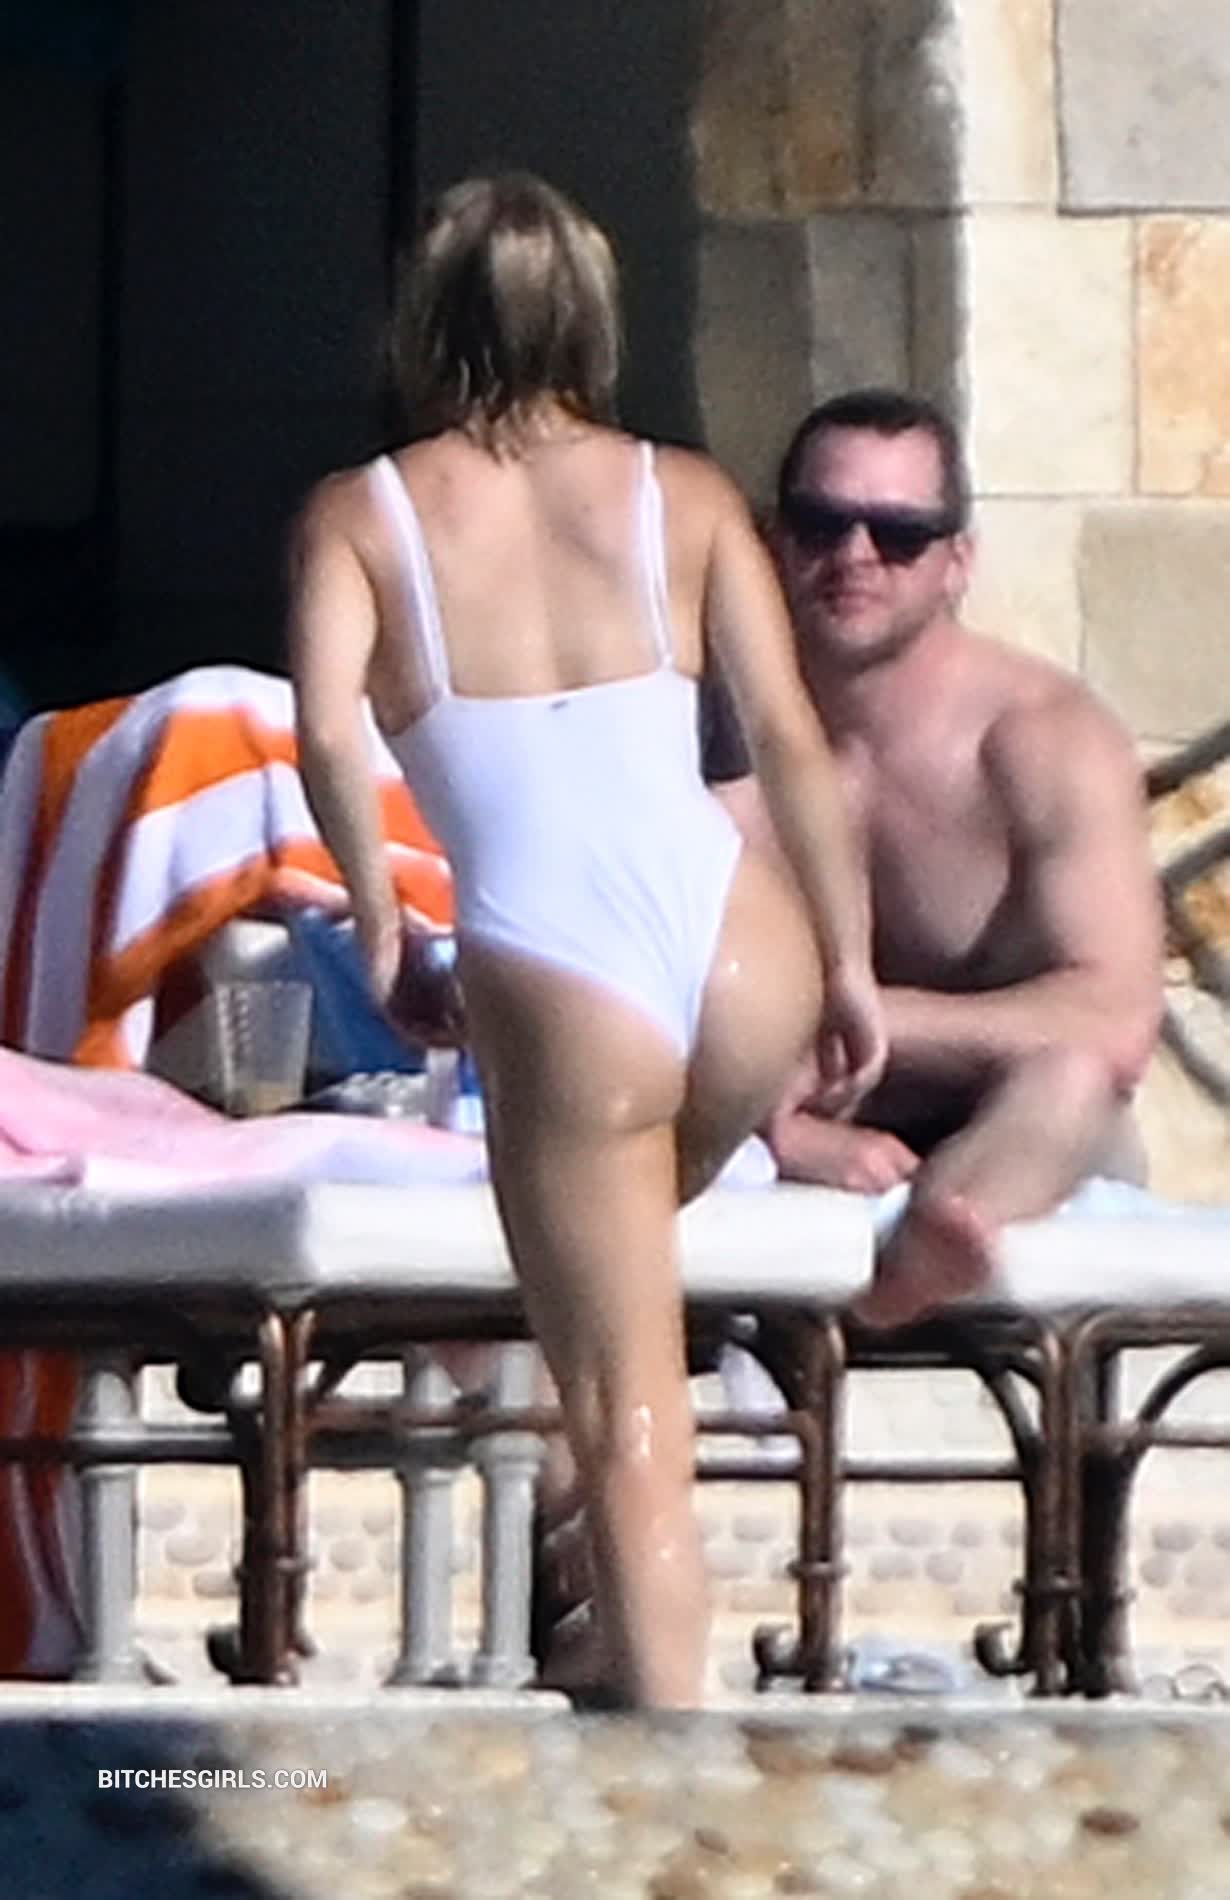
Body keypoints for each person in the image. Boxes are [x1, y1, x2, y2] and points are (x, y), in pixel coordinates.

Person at [287, 175, 884, 1709]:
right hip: (740, 937)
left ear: (422, 321)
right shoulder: (682, 493)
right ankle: (612, 1642)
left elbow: (329, 737)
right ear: (590, 318)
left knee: (627, 1410)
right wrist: (849, 960)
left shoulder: (364, 515)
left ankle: (663, 1764)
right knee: (612, 1301)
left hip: (561, 962)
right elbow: (790, 742)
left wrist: (381, 926)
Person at [710, 387, 1165, 1328]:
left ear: (957, 561)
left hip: (1001, 1120)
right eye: (822, 524)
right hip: (763, 1110)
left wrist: (869, 1021)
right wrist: (780, 1130)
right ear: (775, 539)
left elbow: (1117, 1015)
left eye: (899, 534)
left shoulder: (1043, 739)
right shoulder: (715, 733)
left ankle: (929, 1247)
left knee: (1075, 1080)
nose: (855, 555)